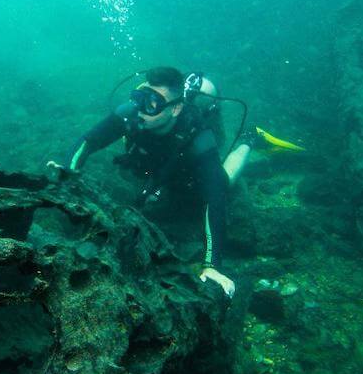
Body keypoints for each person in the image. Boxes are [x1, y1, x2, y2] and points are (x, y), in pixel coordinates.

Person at [57, 67, 256, 299]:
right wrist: (67, 174)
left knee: (223, 183)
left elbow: (216, 201)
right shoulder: (132, 112)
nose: (141, 109)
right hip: (154, 162)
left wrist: (212, 265)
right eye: (140, 98)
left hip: (187, 172)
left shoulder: (199, 140)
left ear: (176, 108)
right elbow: (89, 141)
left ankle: (250, 138)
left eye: (151, 103)